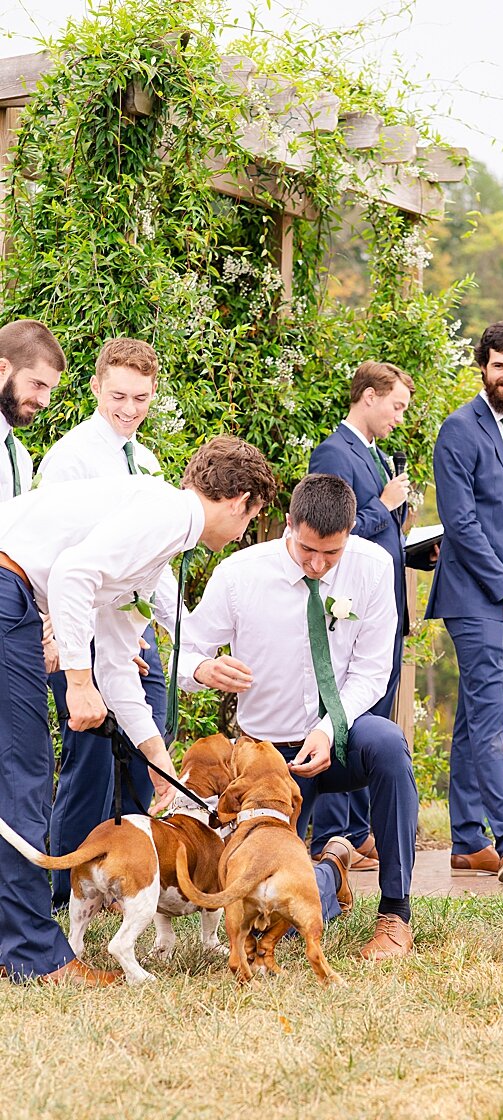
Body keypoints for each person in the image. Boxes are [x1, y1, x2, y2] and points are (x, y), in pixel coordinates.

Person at [0, 434, 276, 984]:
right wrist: (79, 683)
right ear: (240, 500)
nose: (244, 532)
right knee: (23, 775)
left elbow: (121, 663)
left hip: (14, 590)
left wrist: (158, 759)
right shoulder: (168, 514)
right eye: (253, 518)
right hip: (8, 586)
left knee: (16, 774)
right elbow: (75, 576)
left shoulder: (159, 533)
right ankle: (33, 957)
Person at [176, 473, 420, 960]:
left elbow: (374, 671)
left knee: (390, 745)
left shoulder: (374, 567)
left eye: (331, 554)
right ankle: (331, 869)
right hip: (269, 761)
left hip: (340, 738)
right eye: (307, 549)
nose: (317, 563)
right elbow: (181, 654)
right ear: (289, 524)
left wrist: (329, 729)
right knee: (275, 918)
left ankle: (395, 914)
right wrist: (203, 667)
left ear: (351, 533)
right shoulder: (240, 574)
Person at [37, 337, 176, 913]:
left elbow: (150, 561)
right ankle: (55, 900)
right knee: (89, 764)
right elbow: (61, 558)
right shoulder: (69, 459)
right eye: (118, 395)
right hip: (80, 633)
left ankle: (131, 890)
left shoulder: (145, 462)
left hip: (133, 627)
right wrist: (97, 645)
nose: (129, 408)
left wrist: (150, 634)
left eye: (141, 397)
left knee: (146, 760)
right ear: (96, 388)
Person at [428, 320, 503, 881]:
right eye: (499, 365)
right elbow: (461, 524)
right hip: (472, 597)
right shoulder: (459, 430)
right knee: (490, 713)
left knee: (477, 719)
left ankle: (466, 839)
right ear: (483, 366)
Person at [306, 360, 415, 871]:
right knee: (342, 708)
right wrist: (384, 504)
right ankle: (334, 832)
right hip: (344, 609)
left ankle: (360, 828)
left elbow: (376, 530)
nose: (398, 418)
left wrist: (407, 539)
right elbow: (331, 528)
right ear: (368, 396)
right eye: (395, 406)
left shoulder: (375, 455)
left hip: (380, 604)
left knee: (373, 713)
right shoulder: (334, 450)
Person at [0, 319, 62, 500]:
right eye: (37, 384)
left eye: (51, 389)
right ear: (2, 368)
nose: (45, 401)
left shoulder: (21, 458)